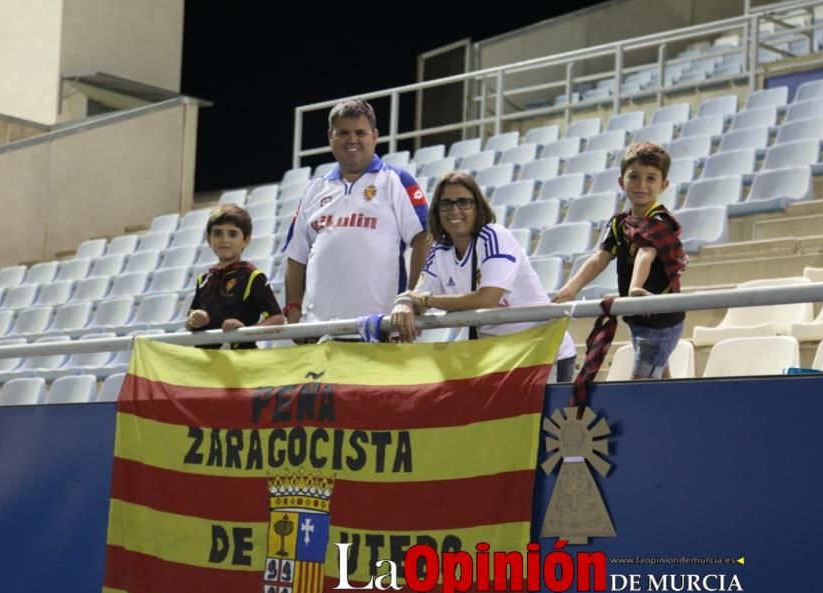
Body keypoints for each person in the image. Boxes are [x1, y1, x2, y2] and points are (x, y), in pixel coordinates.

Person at [390, 171, 577, 382]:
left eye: (464, 202)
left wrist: (423, 300)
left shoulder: (495, 236)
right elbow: (416, 296)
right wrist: (404, 303)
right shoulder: (440, 250)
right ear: (437, 211)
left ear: (478, 207)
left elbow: (487, 299)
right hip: (500, 360)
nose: (454, 210)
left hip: (544, 354)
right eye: (446, 204)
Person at [283, 98, 430, 329]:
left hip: (380, 328)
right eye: (343, 133)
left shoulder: (396, 180)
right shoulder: (314, 190)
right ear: (330, 136)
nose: (352, 140)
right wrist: (293, 309)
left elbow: (424, 238)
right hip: (319, 332)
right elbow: (296, 256)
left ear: (375, 135)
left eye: (360, 132)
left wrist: (410, 299)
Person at [553, 142, 687, 379]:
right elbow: (600, 258)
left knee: (641, 383)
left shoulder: (661, 219)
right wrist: (570, 287)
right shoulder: (618, 223)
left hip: (661, 318)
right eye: (634, 177)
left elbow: (647, 252)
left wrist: (635, 288)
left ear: (663, 185)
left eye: (651, 178)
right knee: (661, 379)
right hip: (637, 315)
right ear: (621, 181)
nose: (641, 185)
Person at [186, 204, 284, 349]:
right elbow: (189, 323)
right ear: (208, 239)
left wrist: (245, 331)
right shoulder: (204, 279)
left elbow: (277, 318)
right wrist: (193, 320)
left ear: (246, 240)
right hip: (205, 364)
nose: (224, 240)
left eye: (232, 234)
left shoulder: (253, 276)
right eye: (217, 233)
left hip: (241, 361)